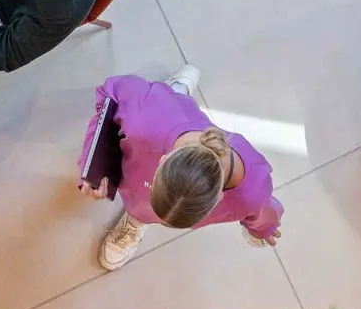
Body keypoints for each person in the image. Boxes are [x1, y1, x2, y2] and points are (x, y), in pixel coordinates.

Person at [77, 67, 284, 270]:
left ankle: (175, 93)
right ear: (162, 160)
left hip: (164, 114)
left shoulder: (252, 193)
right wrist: (92, 161)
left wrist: (264, 229)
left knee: (142, 205)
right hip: (158, 112)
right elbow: (109, 93)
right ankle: (173, 92)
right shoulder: (145, 115)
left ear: (218, 198)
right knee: (141, 201)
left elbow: (262, 212)